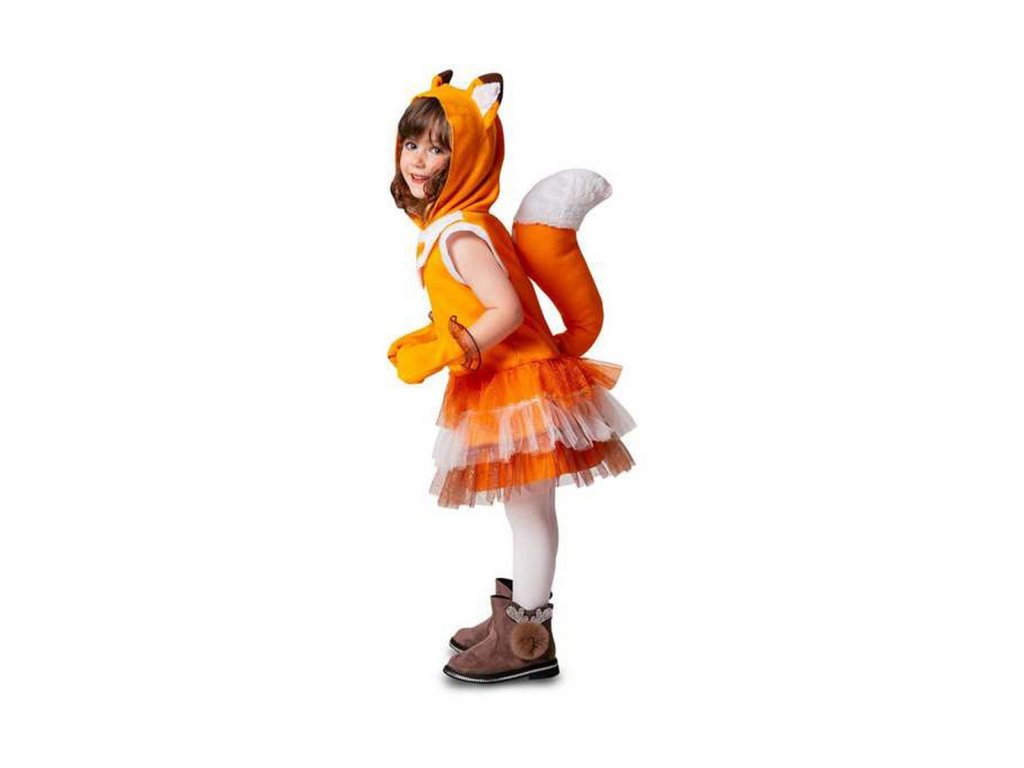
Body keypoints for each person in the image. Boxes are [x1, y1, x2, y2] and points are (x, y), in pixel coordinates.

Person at [387, 70, 637, 684]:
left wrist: (450, 348)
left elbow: (505, 311)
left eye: (438, 148)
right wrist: (436, 334)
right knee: (524, 508)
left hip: (519, 384)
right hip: (510, 380)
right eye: (412, 143)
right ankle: (517, 609)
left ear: (468, 156)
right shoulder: (457, 222)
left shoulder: (460, 234)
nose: (419, 160)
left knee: (528, 512)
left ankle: (529, 637)